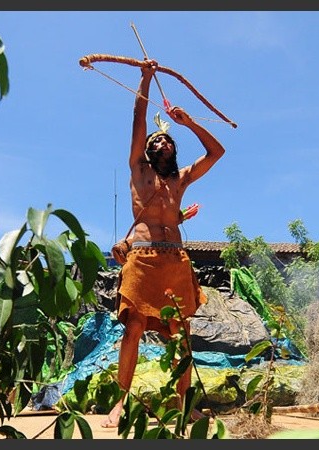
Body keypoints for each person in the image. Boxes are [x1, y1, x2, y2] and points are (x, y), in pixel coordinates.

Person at [101, 59, 226, 428]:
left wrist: (190, 123)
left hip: (175, 262)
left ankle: (184, 403)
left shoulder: (180, 179)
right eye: (156, 140)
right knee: (133, 328)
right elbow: (138, 119)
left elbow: (217, 153)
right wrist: (146, 78)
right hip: (142, 259)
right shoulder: (138, 170)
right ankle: (121, 402)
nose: (162, 141)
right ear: (148, 150)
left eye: (168, 139)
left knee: (180, 335)